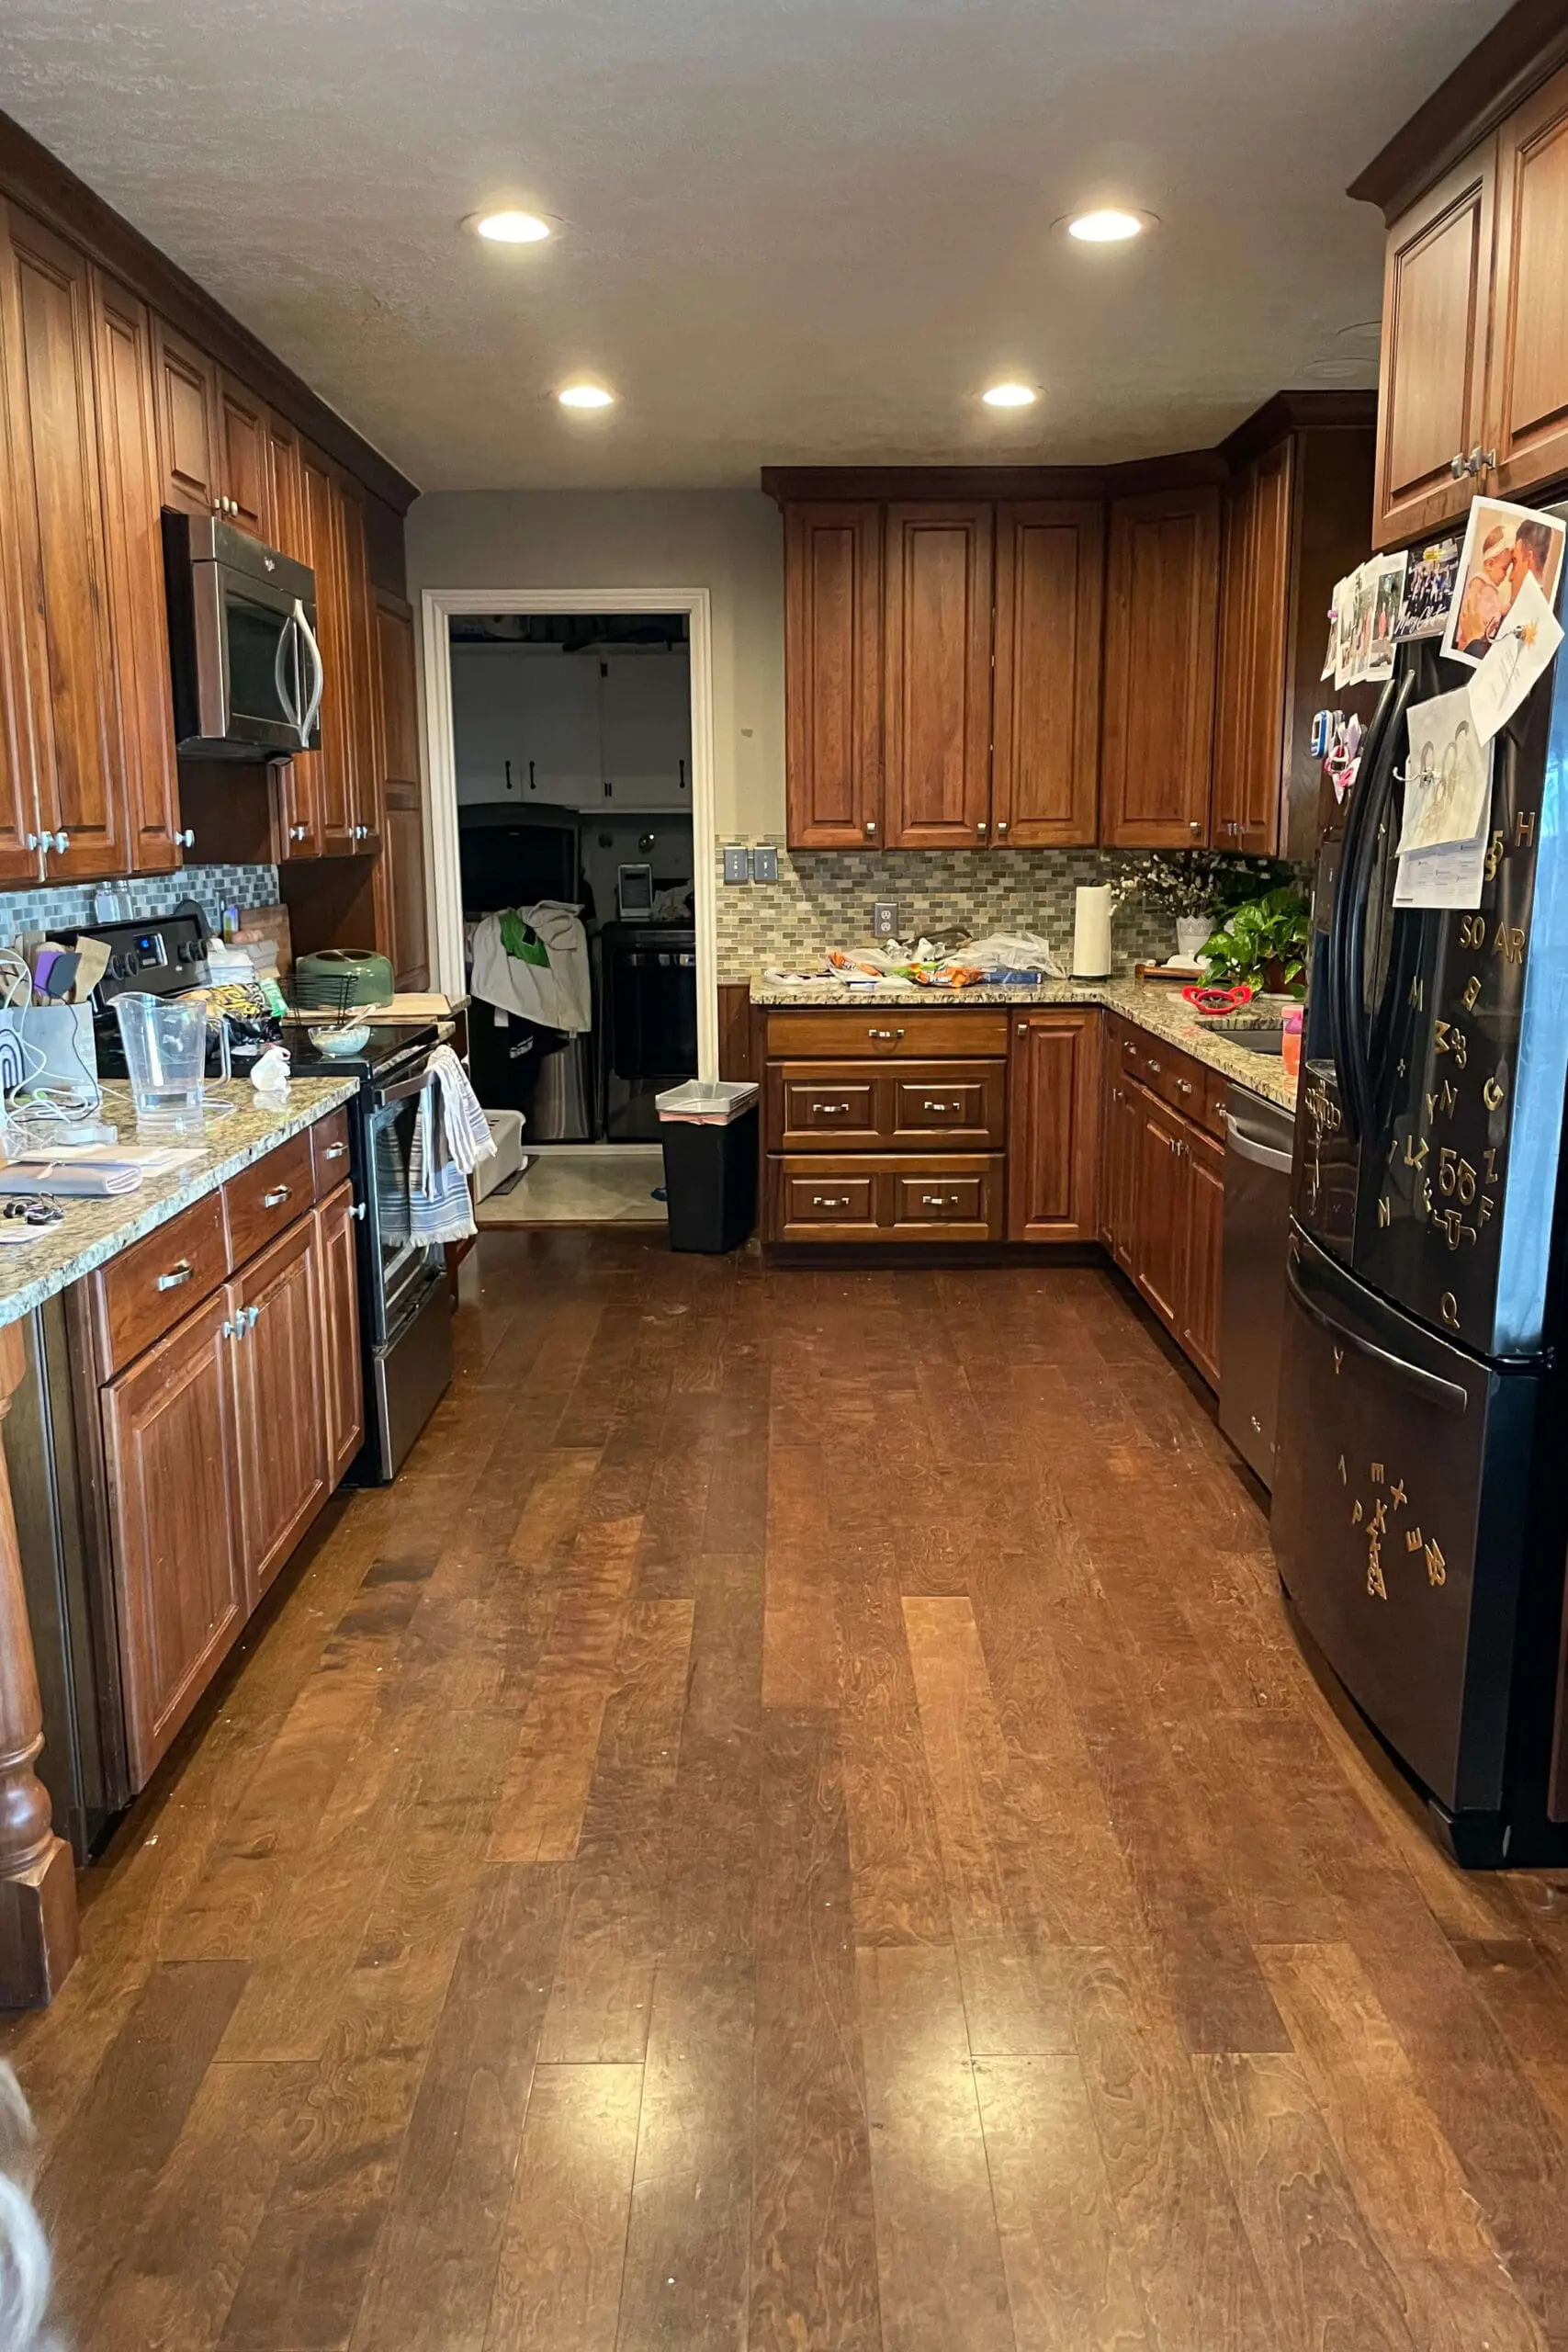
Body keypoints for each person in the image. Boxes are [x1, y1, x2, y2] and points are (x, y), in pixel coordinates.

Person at [1456, 525, 1516, 656]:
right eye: (1504, 568)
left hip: (1485, 636)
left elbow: (1496, 611)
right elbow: (1470, 604)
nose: (1506, 575)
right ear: (1489, 564)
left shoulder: (1493, 590)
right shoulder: (1480, 580)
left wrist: (1509, 605)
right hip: (1472, 635)